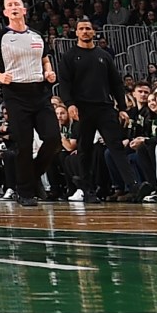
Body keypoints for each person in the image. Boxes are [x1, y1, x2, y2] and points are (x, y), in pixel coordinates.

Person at [0, 0, 62, 204]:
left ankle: (31, 175)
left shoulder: (36, 36)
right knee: (24, 144)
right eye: (10, 5)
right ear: (6, 12)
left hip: (40, 92)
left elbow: (45, 60)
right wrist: (0, 76)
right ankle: (25, 192)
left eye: (17, 4)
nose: (14, 7)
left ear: (24, 10)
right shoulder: (1, 36)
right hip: (16, 94)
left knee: (53, 137)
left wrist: (49, 72)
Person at [55, 19, 141, 200]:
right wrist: (69, 103)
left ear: (94, 32)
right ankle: (88, 190)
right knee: (85, 149)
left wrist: (122, 107)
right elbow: (64, 84)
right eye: (81, 29)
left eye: (88, 29)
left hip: (105, 107)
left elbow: (116, 83)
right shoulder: (69, 56)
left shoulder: (104, 55)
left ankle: (134, 187)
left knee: (116, 146)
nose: (85, 31)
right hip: (82, 108)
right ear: (76, 33)